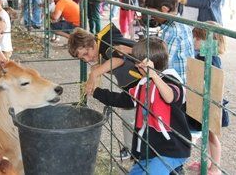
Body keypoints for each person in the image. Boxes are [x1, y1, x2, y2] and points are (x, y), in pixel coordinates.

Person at [88, 37, 192, 174]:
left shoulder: (171, 80)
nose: (136, 66)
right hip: (150, 148)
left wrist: (154, 75)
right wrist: (96, 92)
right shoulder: (143, 84)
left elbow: (170, 97)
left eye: (138, 63)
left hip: (171, 148)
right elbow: (123, 100)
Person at [68, 23, 139, 160]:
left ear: (91, 42)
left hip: (145, 83)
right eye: (83, 58)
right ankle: (133, 149)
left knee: (133, 116)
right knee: (129, 116)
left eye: (86, 54)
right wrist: (98, 67)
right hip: (136, 84)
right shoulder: (103, 42)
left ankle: (136, 151)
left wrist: (93, 74)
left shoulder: (106, 44)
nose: (87, 59)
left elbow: (118, 59)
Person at [187, 21, 227, 175]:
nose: (193, 41)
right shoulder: (203, 55)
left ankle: (215, 169)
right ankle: (207, 163)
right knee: (206, 135)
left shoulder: (212, 59)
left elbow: (215, 84)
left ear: (207, 41)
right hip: (204, 101)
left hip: (212, 104)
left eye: (196, 38)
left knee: (212, 137)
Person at [144, 0, 194, 83]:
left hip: (173, 85)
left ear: (164, 9)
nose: (151, 16)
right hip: (181, 80)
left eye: (152, 12)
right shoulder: (181, 24)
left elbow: (160, 64)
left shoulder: (172, 31)